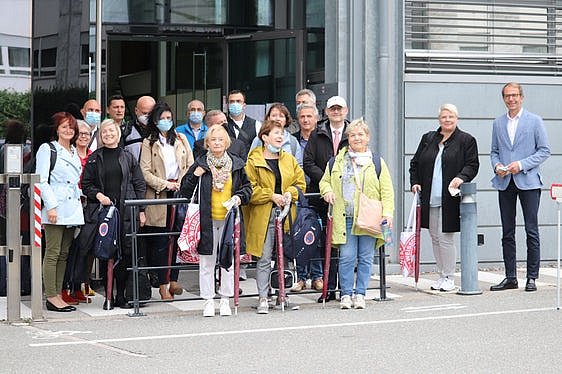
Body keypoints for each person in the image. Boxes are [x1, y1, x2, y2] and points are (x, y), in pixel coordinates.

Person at [319, 118, 395, 309]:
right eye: (352, 135)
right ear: (348, 138)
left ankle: (360, 294)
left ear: (367, 137)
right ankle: (346, 294)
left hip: (369, 217)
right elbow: (324, 181)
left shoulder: (377, 162)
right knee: (346, 256)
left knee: (366, 257)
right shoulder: (337, 161)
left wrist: (388, 213)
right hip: (345, 216)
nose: (356, 138)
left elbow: (387, 190)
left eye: (360, 134)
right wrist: (327, 191)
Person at [179, 125, 252, 317]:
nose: (217, 143)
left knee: (227, 261)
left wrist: (238, 198)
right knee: (206, 262)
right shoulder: (200, 164)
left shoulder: (237, 164)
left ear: (227, 142)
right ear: (207, 143)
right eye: (213, 139)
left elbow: (247, 189)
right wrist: (195, 176)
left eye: (221, 139)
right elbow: (184, 191)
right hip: (206, 219)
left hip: (229, 220)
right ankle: (208, 301)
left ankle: (225, 300)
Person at [409, 104, 480, 292]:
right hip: (430, 196)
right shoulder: (429, 138)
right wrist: (415, 182)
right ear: (438, 119)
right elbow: (415, 164)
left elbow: (472, 165)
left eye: (451, 117)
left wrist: (461, 177)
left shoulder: (466, 140)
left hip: (450, 197)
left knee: (445, 237)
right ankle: (441, 275)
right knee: (434, 237)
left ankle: (449, 276)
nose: (447, 120)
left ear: (457, 118)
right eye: (444, 117)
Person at [489, 82, 550, 292]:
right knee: (507, 231)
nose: (511, 99)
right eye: (507, 96)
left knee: (531, 230)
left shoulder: (535, 121)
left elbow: (544, 151)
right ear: (504, 99)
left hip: (528, 182)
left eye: (514, 95)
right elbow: (494, 151)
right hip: (505, 182)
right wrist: (497, 165)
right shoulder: (498, 123)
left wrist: (521, 165)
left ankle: (532, 277)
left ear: (521, 97)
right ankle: (510, 277)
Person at [81, 119, 146, 309]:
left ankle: (121, 296)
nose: (108, 134)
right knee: (106, 252)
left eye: (111, 131)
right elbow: (86, 185)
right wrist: (98, 195)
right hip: (105, 214)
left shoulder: (128, 156)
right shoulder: (95, 158)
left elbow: (139, 183)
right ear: (100, 136)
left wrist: (142, 210)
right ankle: (108, 295)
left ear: (118, 133)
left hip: (127, 213)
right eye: (104, 132)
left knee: (126, 254)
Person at [244, 120, 306, 314]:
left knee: (285, 256)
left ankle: (283, 295)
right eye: (276, 133)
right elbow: (249, 189)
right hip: (263, 213)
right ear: (264, 137)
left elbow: (300, 183)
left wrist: (290, 193)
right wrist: (270, 195)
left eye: (282, 134)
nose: (280, 137)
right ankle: (263, 297)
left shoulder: (289, 159)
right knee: (263, 258)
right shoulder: (253, 160)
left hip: (286, 213)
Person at [140, 102, 194, 300]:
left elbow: (190, 163)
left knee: (178, 238)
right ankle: (162, 283)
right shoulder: (149, 142)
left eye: (169, 118)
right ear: (155, 120)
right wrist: (165, 184)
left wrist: (181, 183)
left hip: (179, 193)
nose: (166, 122)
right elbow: (144, 171)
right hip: (160, 194)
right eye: (162, 118)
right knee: (162, 240)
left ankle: (174, 280)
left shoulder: (180, 138)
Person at [303, 95, 350, 302]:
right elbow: (308, 162)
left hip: (347, 197)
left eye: (339, 109)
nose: (336, 112)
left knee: (344, 245)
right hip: (322, 197)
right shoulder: (317, 134)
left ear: (345, 111)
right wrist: (327, 181)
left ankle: (345, 289)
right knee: (325, 244)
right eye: (333, 109)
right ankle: (328, 289)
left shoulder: (353, 133)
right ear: (327, 112)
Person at [37, 112, 84, 312]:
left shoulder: (74, 150)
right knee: (53, 252)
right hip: (55, 205)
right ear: (56, 129)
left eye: (71, 127)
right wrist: (51, 206)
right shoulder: (48, 149)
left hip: (72, 206)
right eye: (64, 127)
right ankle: (51, 295)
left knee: (64, 253)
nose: (68, 130)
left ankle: (58, 293)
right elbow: (41, 179)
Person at [60, 120, 94, 305]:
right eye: (80, 133)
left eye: (87, 134)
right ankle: (63, 287)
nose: (83, 137)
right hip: (70, 206)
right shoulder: (68, 154)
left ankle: (78, 285)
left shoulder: (93, 155)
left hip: (88, 207)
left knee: (83, 249)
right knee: (68, 249)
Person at [290, 103, 323, 292]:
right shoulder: (294, 140)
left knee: (316, 235)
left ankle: (317, 276)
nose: (306, 120)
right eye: (302, 116)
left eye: (309, 116)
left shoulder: (321, 138)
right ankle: (301, 277)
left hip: (318, 192)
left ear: (316, 118)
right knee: (300, 235)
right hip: (300, 194)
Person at [225, 90, 261, 156]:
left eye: (238, 101)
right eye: (232, 102)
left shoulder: (256, 124)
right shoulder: (222, 124)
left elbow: (259, 148)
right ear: (227, 105)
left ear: (244, 105)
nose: (235, 104)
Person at [122, 96, 156, 161]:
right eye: (144, 113)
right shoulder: (126, 130)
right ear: (136, 111)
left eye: (150, 113)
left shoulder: (160, 130)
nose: (147, 116)